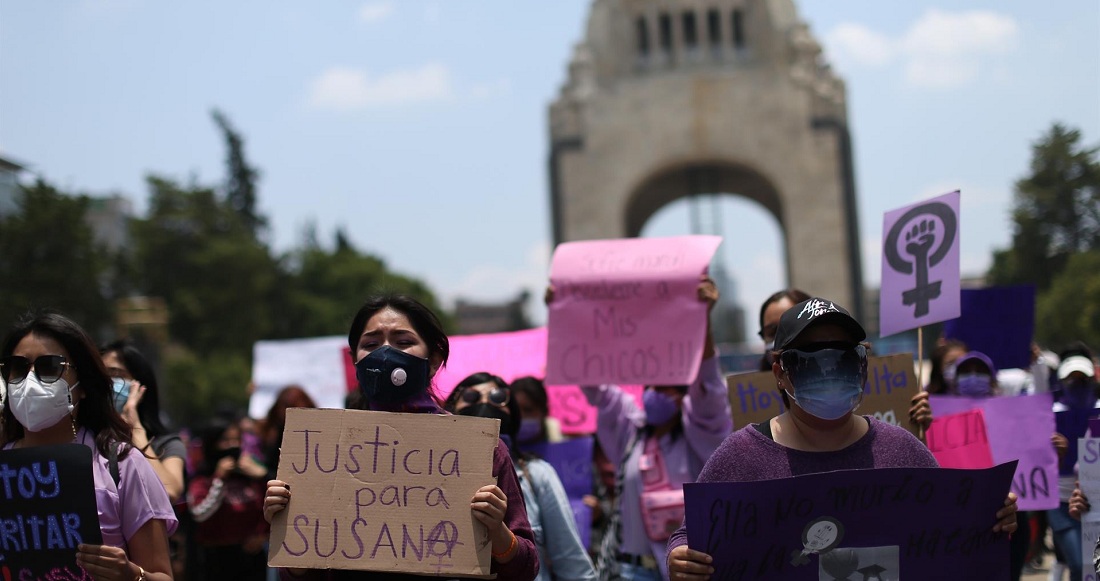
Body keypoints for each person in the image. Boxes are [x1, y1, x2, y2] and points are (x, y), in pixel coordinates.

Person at [666, 297, 1019, 578]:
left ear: (864, 367)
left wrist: (991, 517)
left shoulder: (902, 450)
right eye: (811, 361)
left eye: (845, 358)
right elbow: (690, 538)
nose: (830, 369)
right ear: (779, 373)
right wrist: (679, 559)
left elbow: (950, 537)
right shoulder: (741, 455)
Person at [262, 295, 539, 580]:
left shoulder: (480, 449)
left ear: (433, 359)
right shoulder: (324, 450)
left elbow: (526, 568)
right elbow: (295, 574)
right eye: (370, 344)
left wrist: (497, 531)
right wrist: (289, 525)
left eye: (403, 342)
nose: (384, 353)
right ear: (355, 360)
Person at [567, 275, 732, 581]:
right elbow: (596, 388)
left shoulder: (701, 433)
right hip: (634, 571)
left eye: (668, 386)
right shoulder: (630, 432)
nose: (657, 391)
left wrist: (702, 317)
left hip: (691, 570)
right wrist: (568, 314)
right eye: (652, 383)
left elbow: (709, 381)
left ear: (685, 393)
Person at [0, 311, 177, 579]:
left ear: (82, 385)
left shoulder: (123, 465)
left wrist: (131, 575)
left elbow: (162, 575)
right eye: (18, 367)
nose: (30, 380)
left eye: (49, 367)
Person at [445, 372, 597, 581]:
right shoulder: (430, 470)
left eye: (497, 398)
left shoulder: (537, 475)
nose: (484, 403)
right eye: (471, 397)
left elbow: (571, 562)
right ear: (451, 407)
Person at [101, 340, 187, 502]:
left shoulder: (165, 444)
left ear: (140, 386)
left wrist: (135, 430)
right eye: (102, 374)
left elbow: (170, 491)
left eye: (116, 374)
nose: (108, 382)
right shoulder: (85, 436)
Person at [188, 416, 269, 580]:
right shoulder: (202, 481)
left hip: (251, 559)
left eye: (236, 440)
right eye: (225, 440)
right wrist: (219, 479)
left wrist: (262, 536)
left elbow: (269, 510)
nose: (232, 446)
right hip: (218, 560)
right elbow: (200, 513)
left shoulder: (250, 477)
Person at [1048, 346, 1100, 581]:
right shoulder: (1048, 413)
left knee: (1090, 565)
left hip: (1094, 504)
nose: (1077, 384)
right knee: (1079, 564)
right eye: (1072, 379)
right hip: (1060, 500)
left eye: (1083, 379)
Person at [255, 384, 316, 481]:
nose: (288, 414)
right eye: (286, 407)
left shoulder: (316, 439)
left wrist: (263, 473)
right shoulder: (272, 434)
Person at [510, 375, 563, 449]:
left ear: (544, 411)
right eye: (515, 410)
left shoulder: (555, 436)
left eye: (528, 410)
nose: (520, 416)